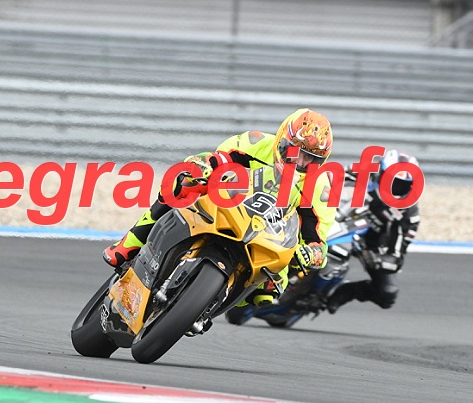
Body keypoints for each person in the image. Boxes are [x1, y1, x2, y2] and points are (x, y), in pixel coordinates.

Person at [103, 109, 337, 307]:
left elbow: (317, 240)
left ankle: (206, 304)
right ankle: (132, 242)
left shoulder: (321, 188)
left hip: (269, 236)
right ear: (281, 139)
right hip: (229, 205)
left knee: (267, 294)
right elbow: (219, 159)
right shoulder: (255, 143)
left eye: (310, 159)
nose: (300, 162)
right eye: (294, 152)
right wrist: (203, 166)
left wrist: (312, 254)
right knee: (183, 183)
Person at [323, 149, 421, 313]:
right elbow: (333, 176)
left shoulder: (409, 213)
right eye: (390, 180)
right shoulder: (366, 170)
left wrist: (382, 260)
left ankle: (348, 291)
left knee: (387, 293)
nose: (394, 187)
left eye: (401, 185)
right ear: (381, 172)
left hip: (372, 245)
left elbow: (398, 252)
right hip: (345, 217)